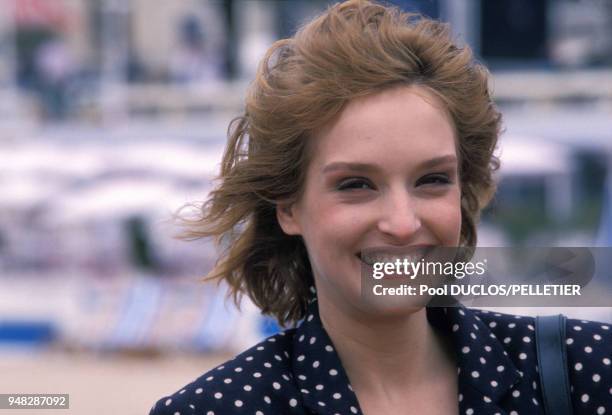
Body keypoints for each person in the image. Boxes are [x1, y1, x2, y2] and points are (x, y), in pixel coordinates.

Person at [150, 1, 611, 414]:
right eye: (356, 185)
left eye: (432, 180)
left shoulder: (583, 370)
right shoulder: (219, 408)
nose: (402, 222)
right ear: (288, 207)